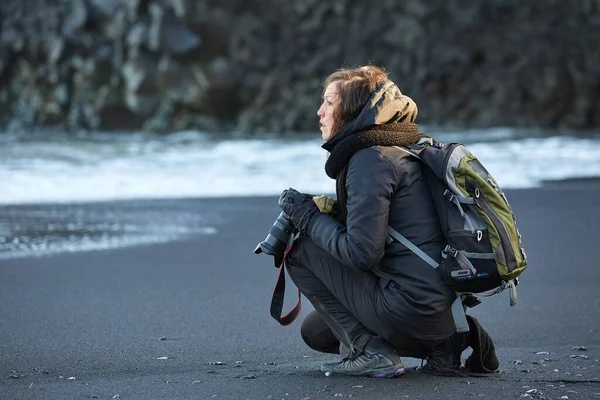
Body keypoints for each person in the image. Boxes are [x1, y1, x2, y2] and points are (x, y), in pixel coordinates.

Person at [277, 65, 499, 378]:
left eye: (329, 102)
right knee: (317, 332)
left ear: (352, 112)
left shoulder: (371, 159)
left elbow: (362, 253)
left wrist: (308, 218)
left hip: (411, 305)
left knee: (300, 252)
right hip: (437, 305)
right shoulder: (401, 145)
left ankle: (371, 353)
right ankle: (445, 342)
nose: (319, 111)